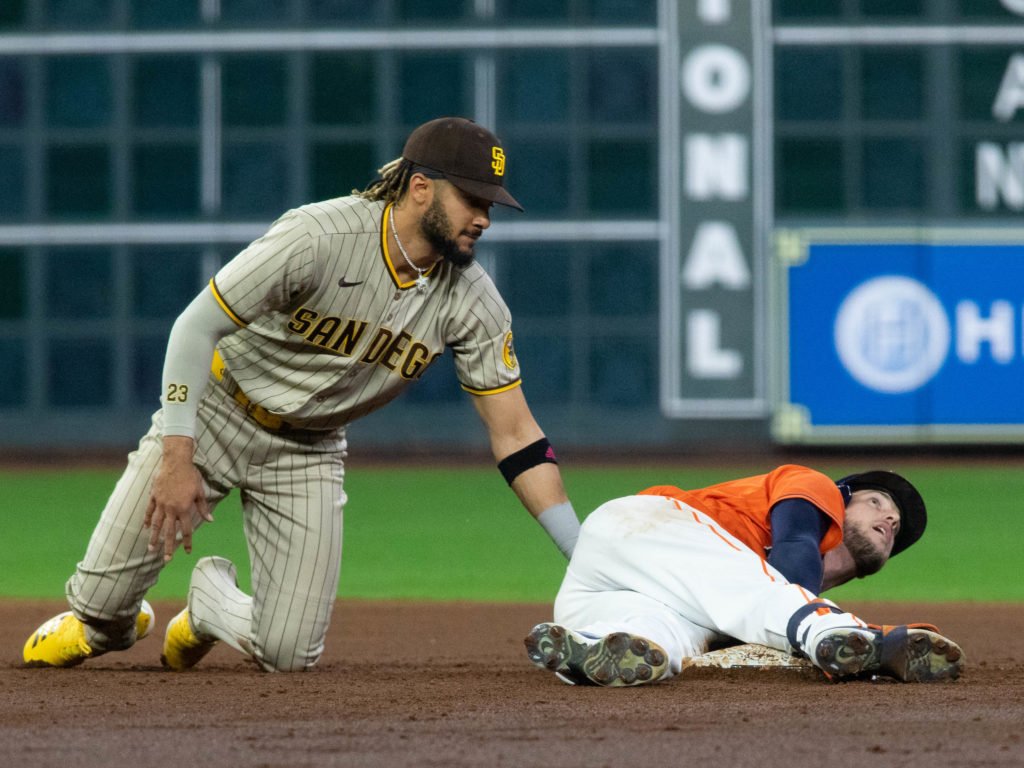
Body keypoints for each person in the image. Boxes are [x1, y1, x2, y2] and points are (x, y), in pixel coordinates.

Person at [24, 116, 581, 672]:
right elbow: (194, 326)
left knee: (289, 653)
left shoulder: (473, 302)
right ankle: (108, 621)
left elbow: (516, 433)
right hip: (218, 412)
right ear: (420, 188)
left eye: (491, 205)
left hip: (308, 451)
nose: (484, 218)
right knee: (98, 617)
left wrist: (581, 552)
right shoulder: (320, 236)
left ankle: (209, 606)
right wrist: (176, 455)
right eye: (473, 200)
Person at [524, 464, 965, 686]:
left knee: (667, 637)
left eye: (896, 526)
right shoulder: (815, 486)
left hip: (603, 591)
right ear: (843, 498)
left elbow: (762, 591)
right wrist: (811, 624)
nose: (889, 518)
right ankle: (847, 635)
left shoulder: (745, 588)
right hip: (646, 527)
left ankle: (596, 647)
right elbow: (794, 550)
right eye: (876, 502)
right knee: (773, 603)